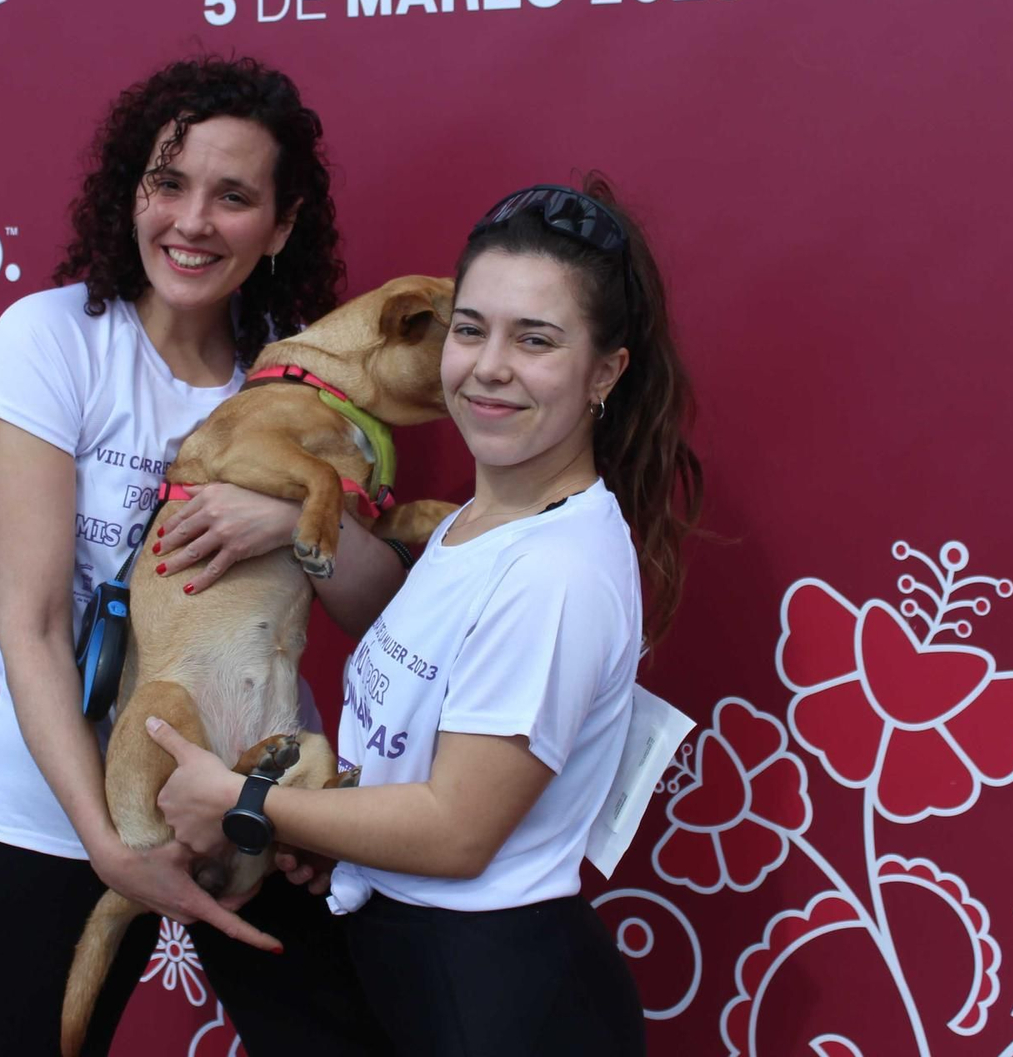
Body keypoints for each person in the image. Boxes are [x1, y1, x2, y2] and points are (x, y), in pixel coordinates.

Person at [150, 178, 702, 1057]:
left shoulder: (555, 572)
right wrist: (339, 839)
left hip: (500, 1001)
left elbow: (454, 830)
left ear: (606, 371)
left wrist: (246, 801)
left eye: (537, 340)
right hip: (413, 968)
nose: (488, 364)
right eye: (473, 328)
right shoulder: (469, 527)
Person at [0, 56, 403, 1057]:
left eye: (233, 195)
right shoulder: (51, 342)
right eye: (170, 183)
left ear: (281, 226)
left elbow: (377, 614)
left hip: (259, 802)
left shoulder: (298, 376)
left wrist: (290, 523)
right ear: (132, 191)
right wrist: (112, 851)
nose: (192, 220)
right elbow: (28, 631)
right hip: (59, 817)